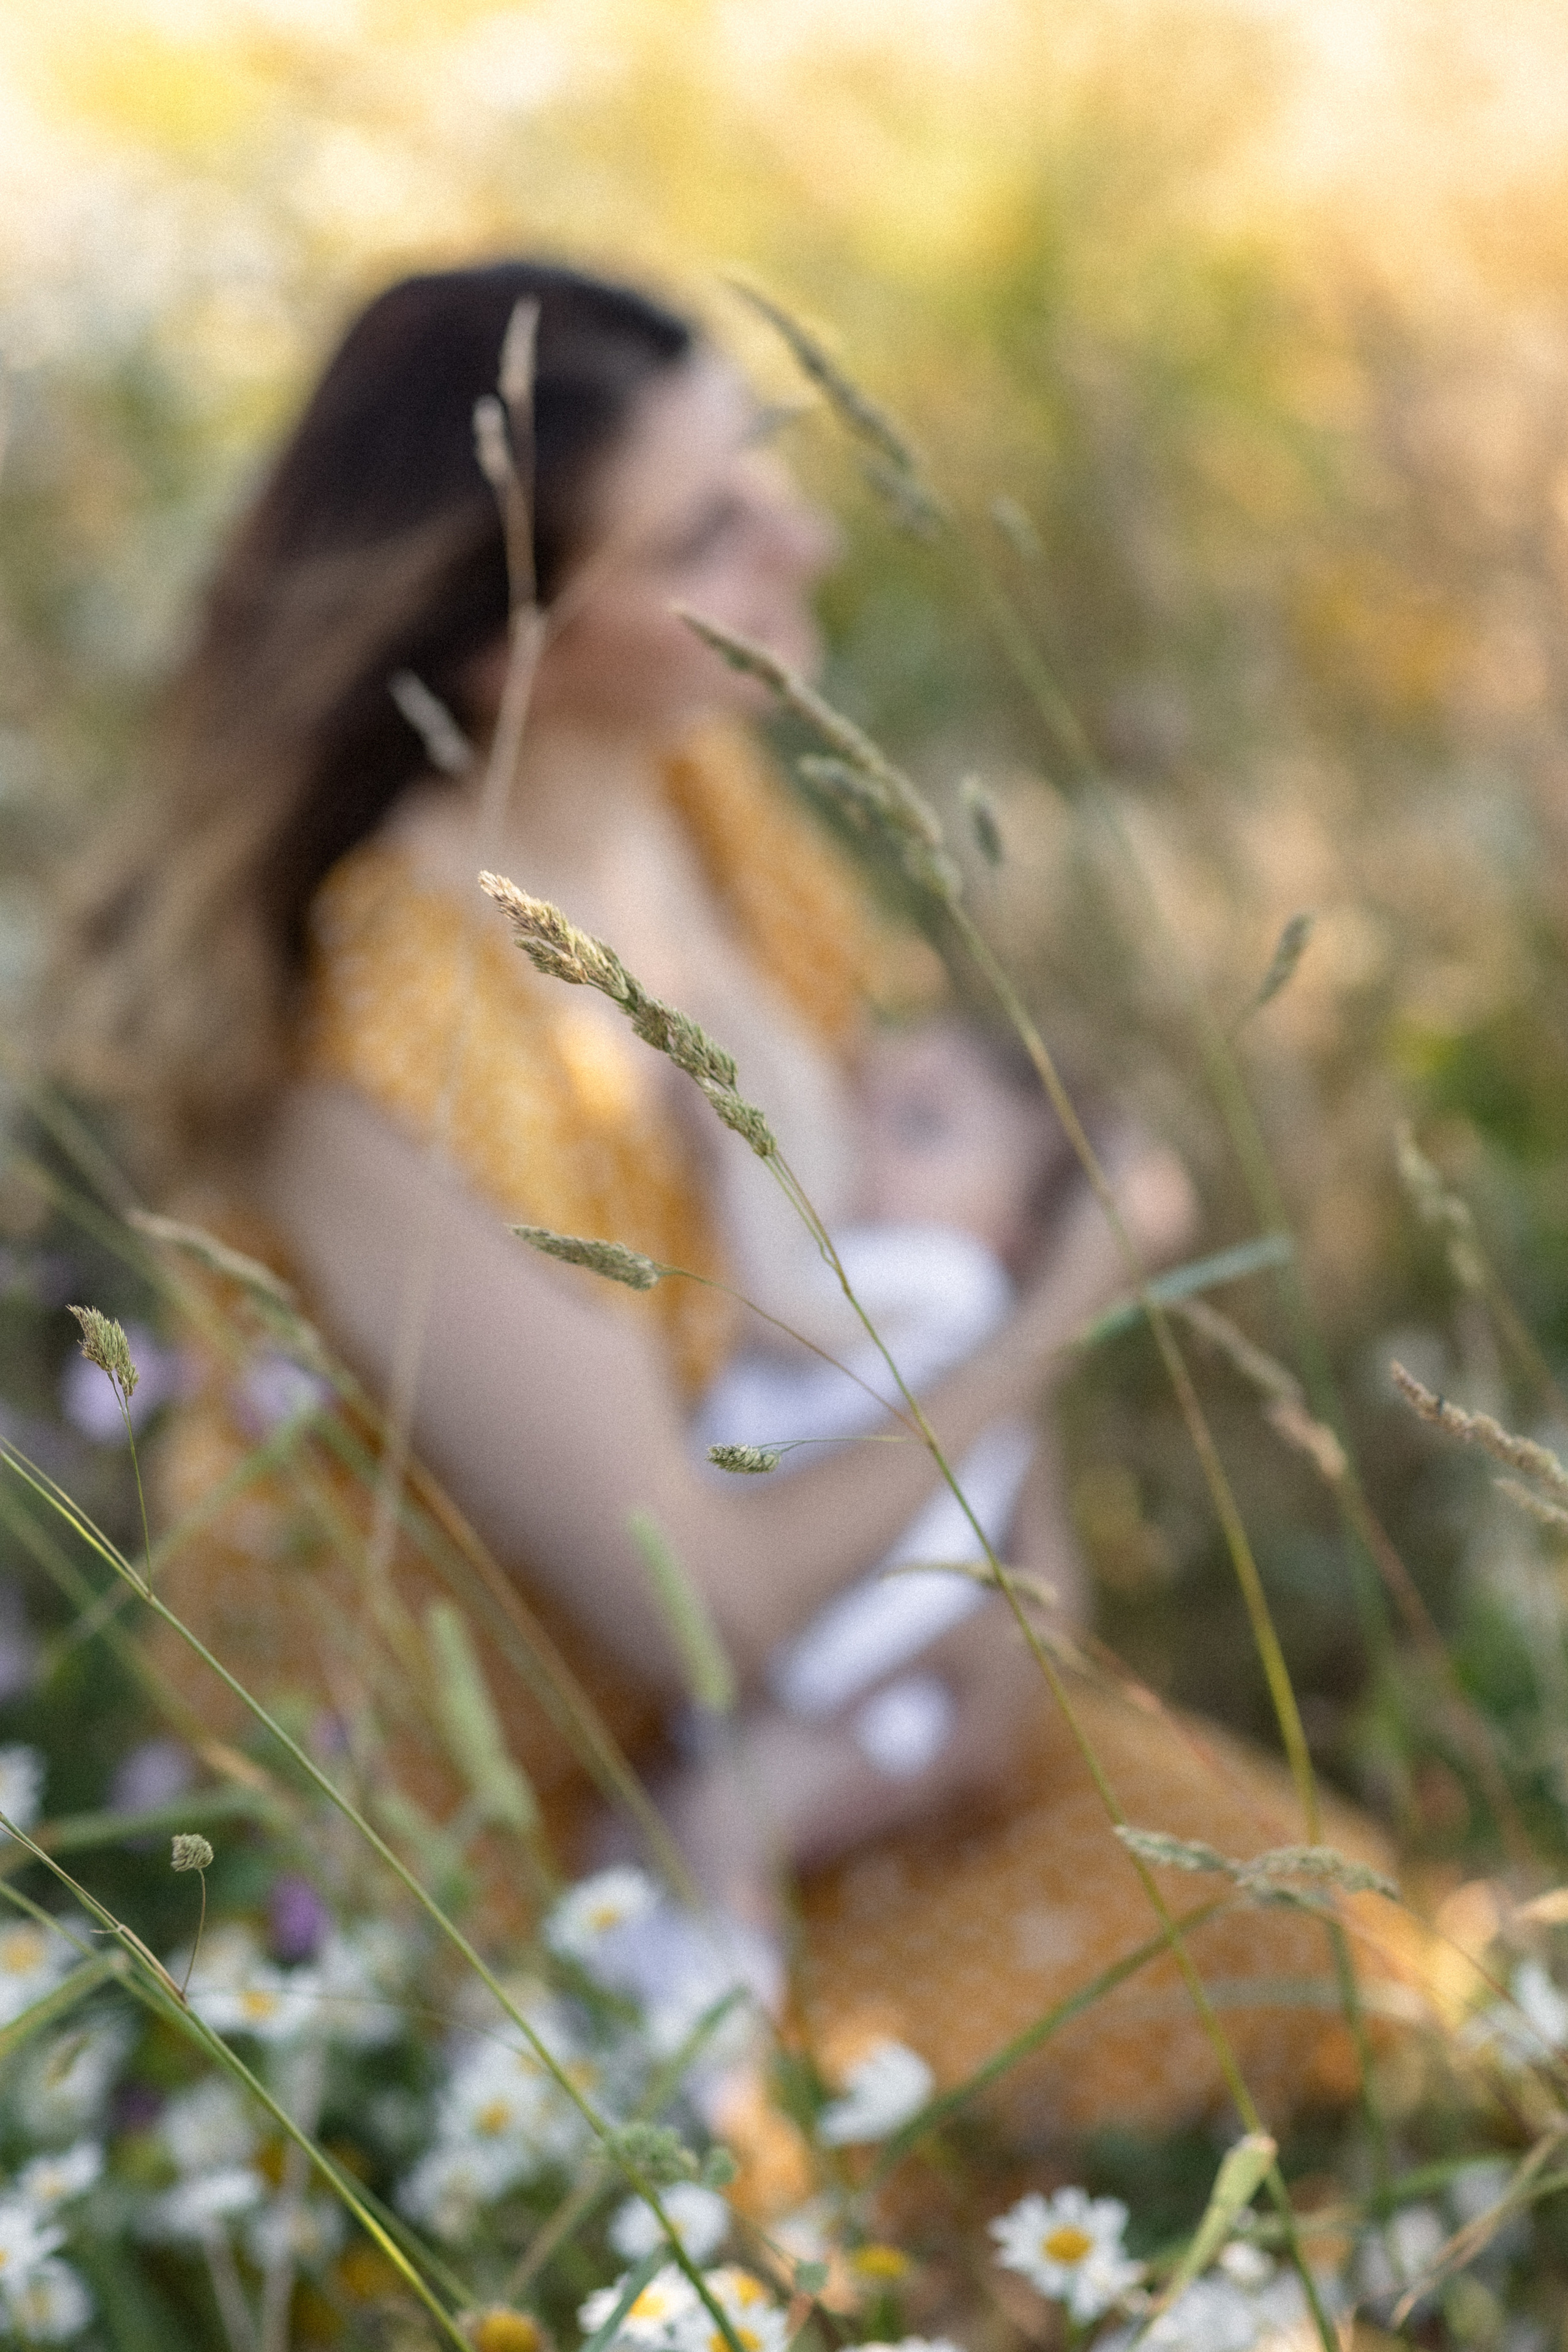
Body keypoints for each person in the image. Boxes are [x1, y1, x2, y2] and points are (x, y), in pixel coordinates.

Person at [51, 260, 1414, 2149]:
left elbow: (884, 1282)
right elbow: (719, 1608)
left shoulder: (697, 785)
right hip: (580, 1871)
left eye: (764, 466)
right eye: (708, 529)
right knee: (1088, 2115)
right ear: (510, 653)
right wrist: (1076, 1303)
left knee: (1378, 1967)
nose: (810, 535)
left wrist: (1004, 1643)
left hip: (875, 1715)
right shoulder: (372, 1048)